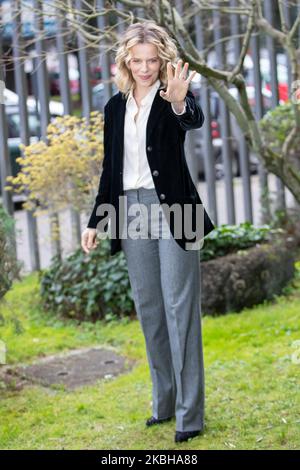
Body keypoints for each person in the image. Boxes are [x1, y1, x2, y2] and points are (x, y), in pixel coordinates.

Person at [81, 21, 215, 444]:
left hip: (177, 209)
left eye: (152, 60)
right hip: (131, 209)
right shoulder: (114, 107)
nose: (144, 68)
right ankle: (164, 402)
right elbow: (110, 169)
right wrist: (96, 221)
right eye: (136, 61)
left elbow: (192, 118)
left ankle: (189, 414)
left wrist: (177, 104)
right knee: (151, 309)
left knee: (181, 310)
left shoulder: (173, 93)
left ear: (163, 60)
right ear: (125, 61)